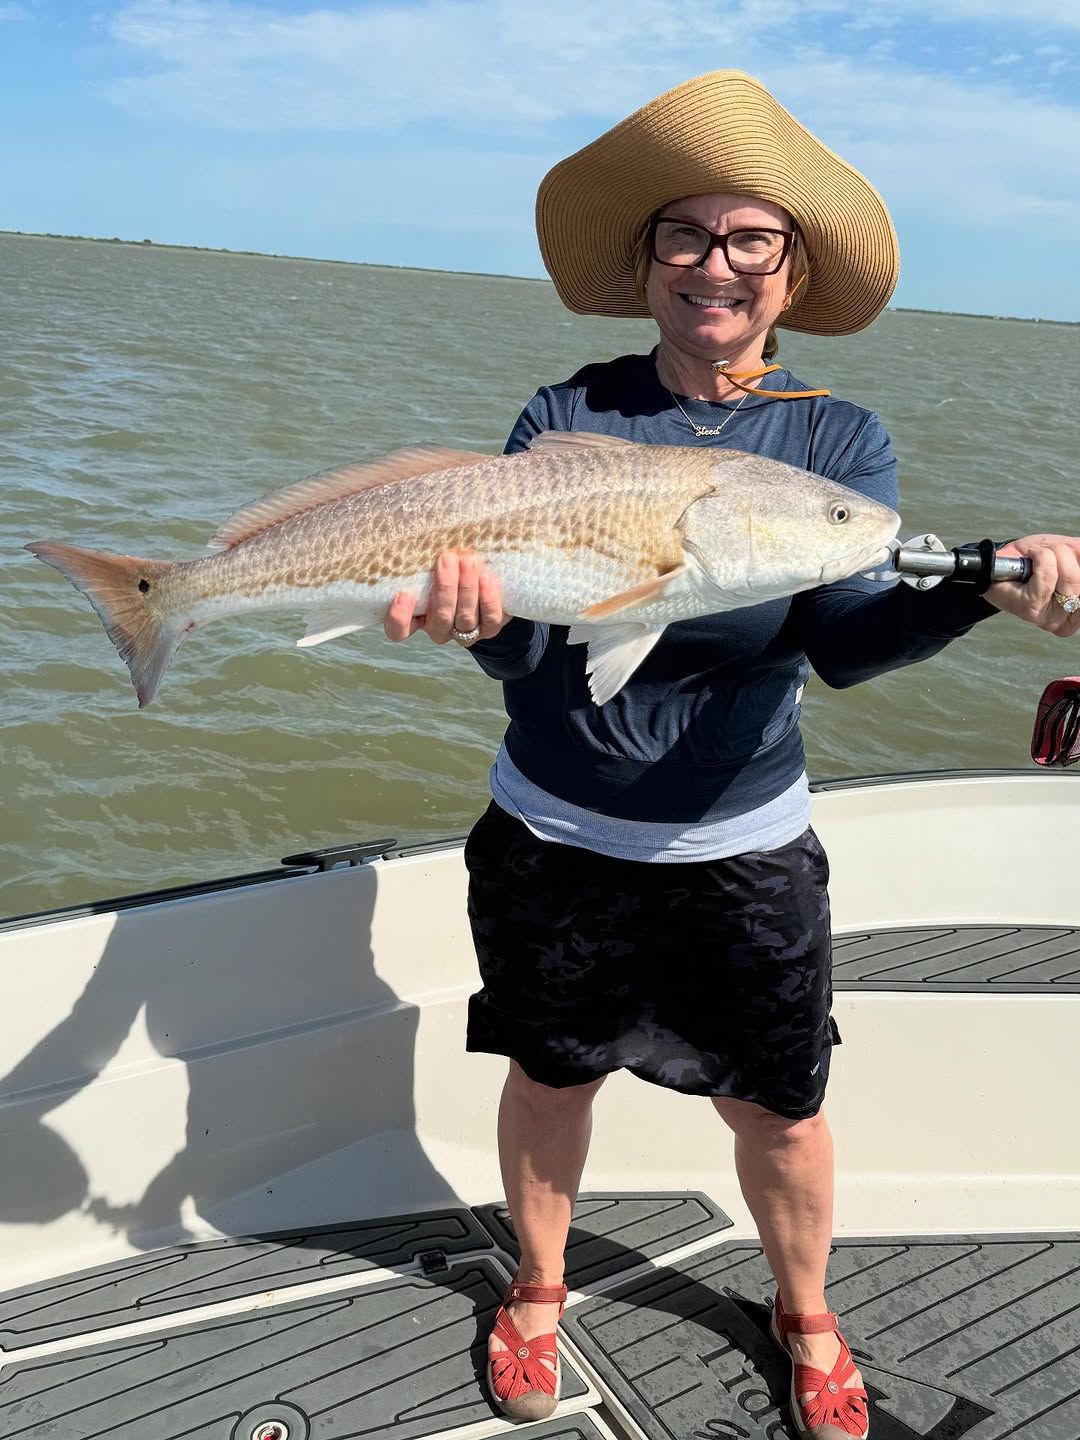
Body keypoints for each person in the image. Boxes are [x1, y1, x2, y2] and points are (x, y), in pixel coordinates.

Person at [384, 70, 1080, 1436]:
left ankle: (806, 1313)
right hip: (555, 837)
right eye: (687, 236)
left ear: (791, 270)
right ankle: (537, 1288)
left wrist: (972, 587)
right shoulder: (566, 416)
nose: (718, 265)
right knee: (551, 1075)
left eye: (751, 239)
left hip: (740, 850)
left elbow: (845, 642)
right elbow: (540, 659)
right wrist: (476, 627)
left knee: (779, 1110)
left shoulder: (834, 438)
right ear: (647, 264)